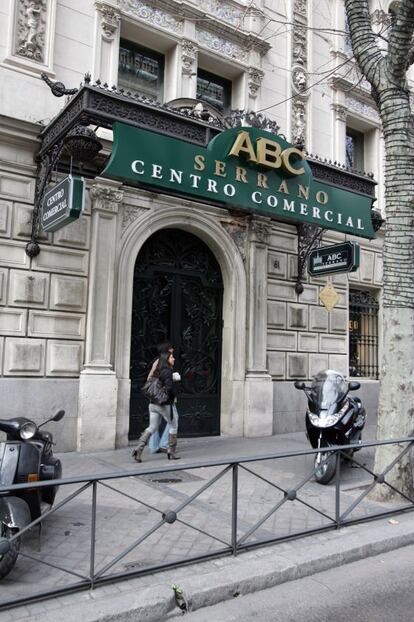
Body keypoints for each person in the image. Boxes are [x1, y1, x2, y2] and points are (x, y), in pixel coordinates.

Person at [132, 351, 180, 462]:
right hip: (164, 404)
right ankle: (171, 451)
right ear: (166, 359)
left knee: (152, 427)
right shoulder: (168, 371)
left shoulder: (157, 371)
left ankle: (138, 450)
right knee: (173, 425)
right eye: (172, 357)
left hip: (152, 404)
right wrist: (175, 386)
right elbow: (169, 389)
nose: (174, 359)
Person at [147, 342, 178, 454]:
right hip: (163, 398)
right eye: (171, 348)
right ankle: (164, 444)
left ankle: (153, 446)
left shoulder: (161, 361)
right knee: (173, 421)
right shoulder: (162, 361)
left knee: (154, 424)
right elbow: (154, 378)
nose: (173, 350)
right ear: (167, 350)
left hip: (155, 397)